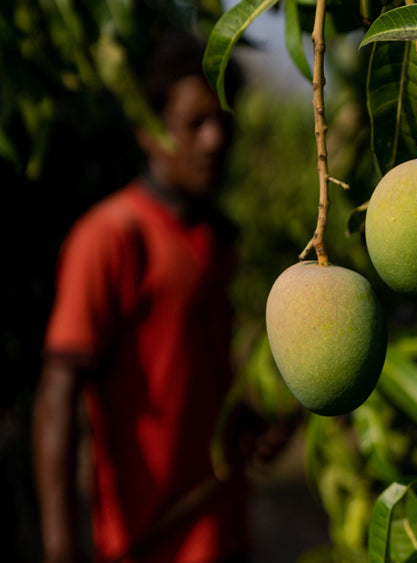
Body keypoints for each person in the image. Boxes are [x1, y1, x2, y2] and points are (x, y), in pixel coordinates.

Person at [32, 31, 286, 563]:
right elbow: (58, 394)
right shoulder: (110, 237)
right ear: (149, 131)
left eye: (223, 121)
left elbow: (197, 372)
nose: (215, 141)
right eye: (195, 124)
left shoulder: (215, 241)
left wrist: (249, 426)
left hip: (222, 531)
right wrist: (61, 547)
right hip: (149, 543)